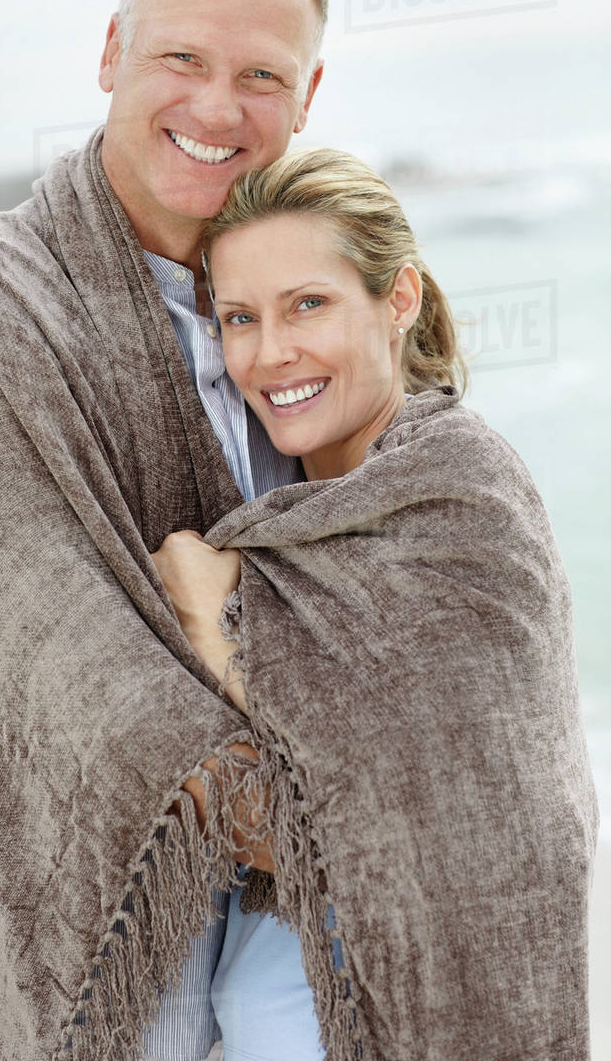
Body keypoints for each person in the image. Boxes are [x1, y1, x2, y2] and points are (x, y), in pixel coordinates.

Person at [0, 0, 327, 1061]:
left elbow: (416, 557)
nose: (218, 108)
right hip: (95, 944)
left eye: (260, 74)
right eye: (182, 56)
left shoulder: (319, 311)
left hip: (304, 934)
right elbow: (68, 667)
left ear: (308, 97)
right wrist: (373, 816)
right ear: (112, 52)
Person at [150, 147, 599, 1060]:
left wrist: (212, 628)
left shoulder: (462, 499)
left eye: (307, 303)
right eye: (240, 318)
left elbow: (449, 808)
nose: (270, 353)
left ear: (397, 301)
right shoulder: (278, 531)